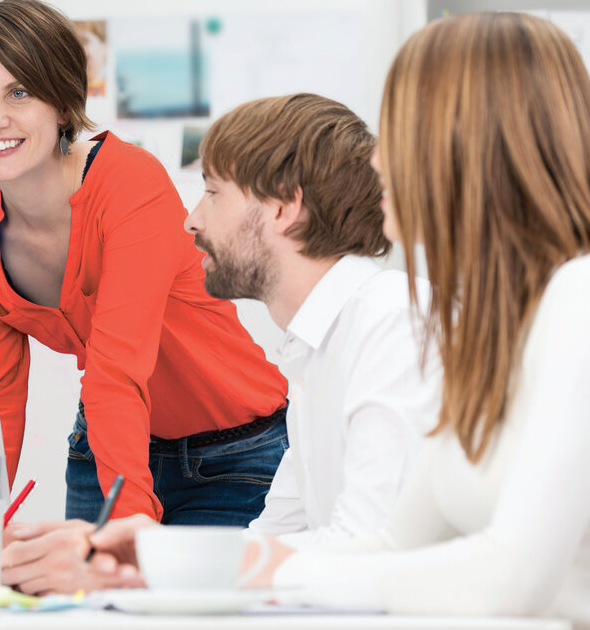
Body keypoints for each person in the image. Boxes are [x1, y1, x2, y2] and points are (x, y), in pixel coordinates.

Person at [243, 12, 590, 630]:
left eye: (398, 129)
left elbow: (510, 576)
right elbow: (392, 545)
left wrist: (272, 578)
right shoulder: (493, 332)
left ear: (467, 144)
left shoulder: (579, 300)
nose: (376, 160)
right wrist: (172, 568)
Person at [0, 0, 289, 551]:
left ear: (62, 101)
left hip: (236, 457)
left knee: (172, 621)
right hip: (105, 451)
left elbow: (115, 371)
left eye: (20, 91)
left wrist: (129, 532)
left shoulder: (128, 183)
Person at [188, 93, 442, 549]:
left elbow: (370, 545)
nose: (192, 220)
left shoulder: (394, 325)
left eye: (212, 194)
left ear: (284, 208)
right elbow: (277, 537)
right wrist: (139, 563)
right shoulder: (315, 342)